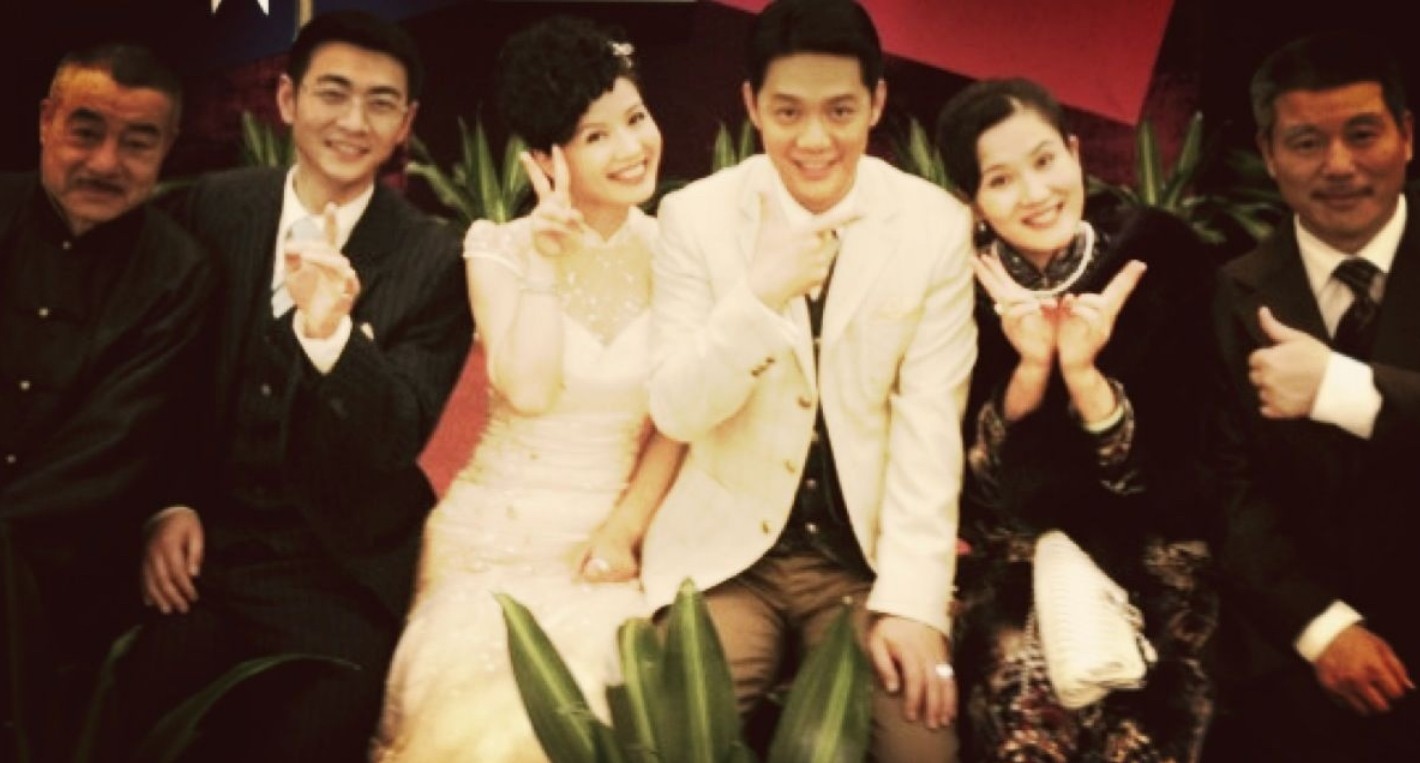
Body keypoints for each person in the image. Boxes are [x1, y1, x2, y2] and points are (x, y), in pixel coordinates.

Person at [107, 11, 472, 762]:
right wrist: (167, 504)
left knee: (313, 736)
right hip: (206, 557)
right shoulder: (213, 208)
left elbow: (399, 433)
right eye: (332, 93)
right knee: (140, 711)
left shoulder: (435, 260)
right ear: (286, 100)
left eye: (379, 103)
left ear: (405, 124)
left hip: (334, 576)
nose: (353, 121)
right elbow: (153, 377)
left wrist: (332, 335)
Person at [642, 0, 975, 759]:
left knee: (922, 748)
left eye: (840, 111)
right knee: (672, 741)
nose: (815, 139)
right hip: (726, 559)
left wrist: (915, 602)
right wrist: (758, 297)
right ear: (752, 104)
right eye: (788, 111)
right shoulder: (694, 217)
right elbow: (676, 408)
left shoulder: (934, 226)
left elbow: (930, 424)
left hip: (864, 564)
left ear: (877, 103)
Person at [373, 15, 679, 762]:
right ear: (545, 159)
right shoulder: (498, 249)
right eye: (596, 135)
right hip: (492, 542)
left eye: (636, 118)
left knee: (591, 712)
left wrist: (626, 529)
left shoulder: (678, 251)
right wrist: (544, 262)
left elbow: (682, 417)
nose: (632, 146)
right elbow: (530, 390)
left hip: (605, 546)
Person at [935, 77, 1218, 762]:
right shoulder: (951, 293)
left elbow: (1188, 469)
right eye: (1001, 180)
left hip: (1152, 552)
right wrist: (1032, 370)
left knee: (1143, 723)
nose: (1035, 193)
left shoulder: (1161, 257)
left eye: (1045, 161)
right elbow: (977, 497)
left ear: (1074, 151)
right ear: (972, 200)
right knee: (1024, 710)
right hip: (1016, 562)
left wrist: (1087, 379)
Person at [1206, 31, 1419, 762]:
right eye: (1306, 142)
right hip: (1295, 665)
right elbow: (1225, 489)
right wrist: (1322, 629)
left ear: (1407, 135)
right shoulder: (1230, 294)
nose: (1339, 165)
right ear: (1269, 154)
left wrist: (1339, 387)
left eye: (1362, 134)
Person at [0, 42, 213, 762]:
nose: (105, 162)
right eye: (85, 132)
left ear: (167, 147)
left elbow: (111, 445)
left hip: (66, 564)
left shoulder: (181, 272)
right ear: (45, 122)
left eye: (137, 142)